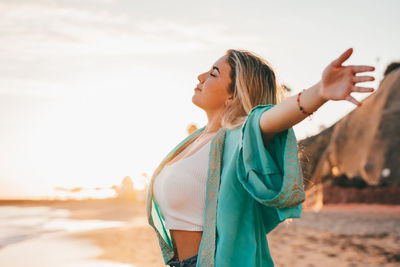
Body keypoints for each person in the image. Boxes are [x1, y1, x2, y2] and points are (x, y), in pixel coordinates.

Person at [146, 48, 375, 267]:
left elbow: (273, 118)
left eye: (213, 73)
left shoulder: (241, 137)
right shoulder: (192, 142)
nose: (201, 76)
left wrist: (320, 91)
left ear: (233, 94)